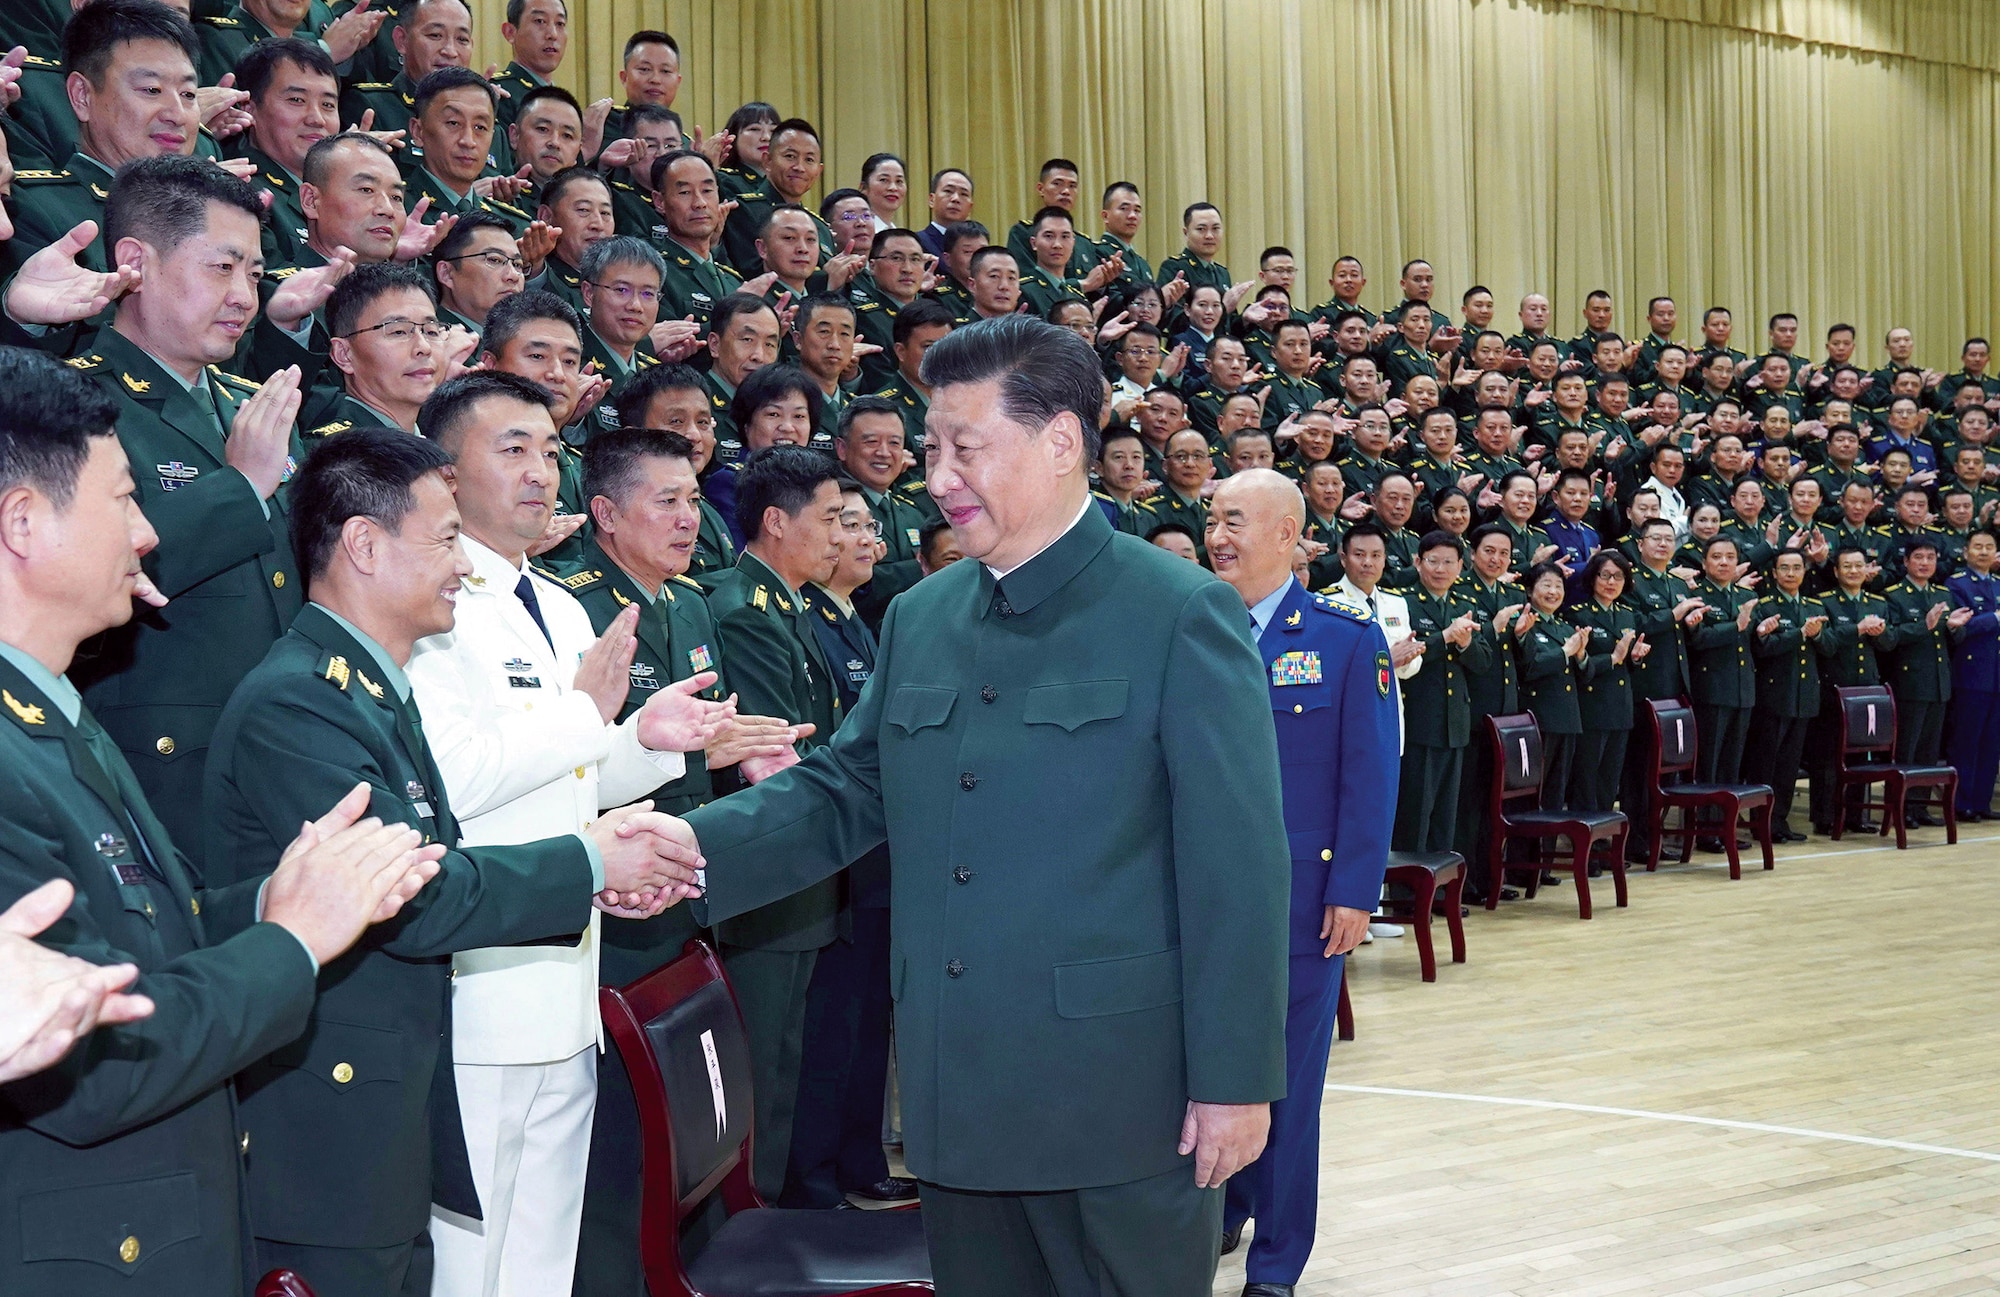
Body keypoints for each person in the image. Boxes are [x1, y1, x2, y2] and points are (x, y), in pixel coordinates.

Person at [666, 317, 1288, 1294]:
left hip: (1119, 1110)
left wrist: (1234, 1080)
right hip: (961, 1108)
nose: (940, 475)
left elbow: (1238, 869)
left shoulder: (1175, 613)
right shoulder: (922, 616)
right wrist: (677, 851)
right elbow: (840, 792)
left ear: (1059, 442)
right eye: (930, 449)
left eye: (966, 447)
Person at [200, 426, 705, 1297]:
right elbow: (417, 893)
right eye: (442, 542)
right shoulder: (303, 704)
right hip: (343, 1105)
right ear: (363, 544)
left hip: (408, 1065)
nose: (462, 568)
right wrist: (588, 864)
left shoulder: (362, 691)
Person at [0, 348, 446, 1297]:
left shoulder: (49, 716)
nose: (149, 534)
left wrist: (270, 904)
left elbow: (140, 943)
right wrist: (293, 938)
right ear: (24, 523)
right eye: (123, 501)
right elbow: (93, 1063)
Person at [406, 375, 728, 1297]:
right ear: (445, 468)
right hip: (482, 981)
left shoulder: (560, 600)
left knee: (545, 1252)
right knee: (473, 1255)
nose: (540, 470)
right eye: (511, 448)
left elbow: (567, 780)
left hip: (569, 978)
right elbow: (455, 784)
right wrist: (589, 715)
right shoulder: (436, 603)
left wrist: (640, 744)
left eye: (549, 449)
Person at [556, 426, 803, 1296]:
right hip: (617, 900)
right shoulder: (576, 603)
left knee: (683, 1128)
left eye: (694, 498)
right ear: (605, 513)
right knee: (621, 1132)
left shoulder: (688, 602)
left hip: (687, 886)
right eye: (664, 500)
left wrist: (737, 746)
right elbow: (568, 764)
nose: (687, 516)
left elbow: (687, 747)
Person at [63, 157, 309, 869]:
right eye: (221, 267)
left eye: (256, 275)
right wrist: (239, 485)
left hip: (281, 748)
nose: (243, 295)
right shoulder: (74, 402)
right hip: (162, 770)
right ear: (135, 263)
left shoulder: (251, 405)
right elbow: (89, 575)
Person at [1205, 470, 1396, 1295]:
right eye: (1212, 519)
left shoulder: (1346, 639)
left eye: (1235, 520)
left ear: (1287, 533)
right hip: (1197, 903)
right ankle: (1217, 1211)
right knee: (1208, 1071)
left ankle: (1276, 1263)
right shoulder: (1190, 631)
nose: (1217, 535)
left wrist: (1354, 888)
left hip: (1299, 905)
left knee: (1286, 1085)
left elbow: (1370, 774)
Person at [697, 445, 848, 1201]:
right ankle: (748, 1226)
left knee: (787, 1059)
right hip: (767, 873)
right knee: (756, 1065)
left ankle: (777, 1215)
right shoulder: (741, 609)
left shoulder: (788, 603)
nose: (842, 535)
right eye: (828, 518)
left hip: (805, 869)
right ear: (775, 521)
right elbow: (777, 746)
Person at [784, 479, 917, 1208]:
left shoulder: (860, 620)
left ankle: (859, 1157)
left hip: (874, 846)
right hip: (836, 846)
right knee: (833, 1020)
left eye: (869, 525)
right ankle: (819, 1171)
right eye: (846, 523)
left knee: (868, 1014)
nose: (863, 538)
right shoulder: (807, 616)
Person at [1395, 531, 1490, 854]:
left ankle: (1440, 891)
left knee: (1447, 814)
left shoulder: (1465, 605)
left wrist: (1464, 644)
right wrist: (1445, 637)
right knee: (1415, 812)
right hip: (1420, 719)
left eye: (1449, 562)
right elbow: (1404, 654)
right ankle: (1411, 894)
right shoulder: (1403, 602)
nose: (1440, 569)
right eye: (1433, 561)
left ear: (1461, 566)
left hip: (1456, 723)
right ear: (1418, 563)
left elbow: (1483, 662)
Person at [1742, 550, 1833, 841]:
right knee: (1766, 763)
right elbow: (1761, 649)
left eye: (1797, 568)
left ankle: (1780, 822)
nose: (1791, 573)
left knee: (1789, 765)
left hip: (1804, 696)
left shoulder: (1813, 605)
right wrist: (1800, 634)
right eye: (1785, 568)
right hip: (1774, 695)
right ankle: (1762, 823)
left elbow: (1829, 648)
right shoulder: (1765, 606)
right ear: (1774, 573)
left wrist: (1817, 635)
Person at [1686, 536, 1759, 848]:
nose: (1724, 562)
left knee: (1732, 764)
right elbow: (1697, 640)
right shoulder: (1697, 596)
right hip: (1712, 690)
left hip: (1742, 689)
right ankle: (1706, 830)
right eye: (1717, 557)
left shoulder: (1743, 594)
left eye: (1730, 556)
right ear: (1704, 563)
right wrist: (1736, 626)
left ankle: (1726, 828)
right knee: (1710, 764)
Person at [1883, 539, 1968, 792]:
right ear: (1906, 561)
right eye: (1918, 557)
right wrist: (1924, 626)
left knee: (1929, 750)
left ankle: (1919, 805)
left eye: (1930, 558)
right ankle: (1901, 806)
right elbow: (1891, 637)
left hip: (1939, 681)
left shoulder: (1942, 594)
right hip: (1909, 682)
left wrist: (1953, 628)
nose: (1925, 563)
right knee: (1907, 747)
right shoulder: (1893, 595)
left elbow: (1955, 640)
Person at [1569, 549, 1643, 818]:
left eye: (1618, 576)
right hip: (1592, 707)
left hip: (1620, 708)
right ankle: (1586, 845)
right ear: (1592, 578)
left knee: (1609, 782)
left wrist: (1633, 657)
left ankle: (1603, 844)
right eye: (1605, 575)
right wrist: (1612, 658)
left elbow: (1627, 664)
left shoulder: (1627, 614)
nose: (1611, 582)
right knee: (1587, 781)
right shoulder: (1579, 615)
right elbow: (1579, 665)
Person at [1515, 563, 1588, 810]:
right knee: (1532, 795)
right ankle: (1526, 850)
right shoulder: (1525, 623)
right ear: (1529, 590)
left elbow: (1583, 676)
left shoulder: (1565, 627)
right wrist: (1566, 651)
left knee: (1556, 794)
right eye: (1546, 584)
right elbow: (1530, 668)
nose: (1553, 591)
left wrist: (1581, 657)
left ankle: (1548, 848)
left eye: (1558, 586)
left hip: (1568, 719)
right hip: (1540, 718)